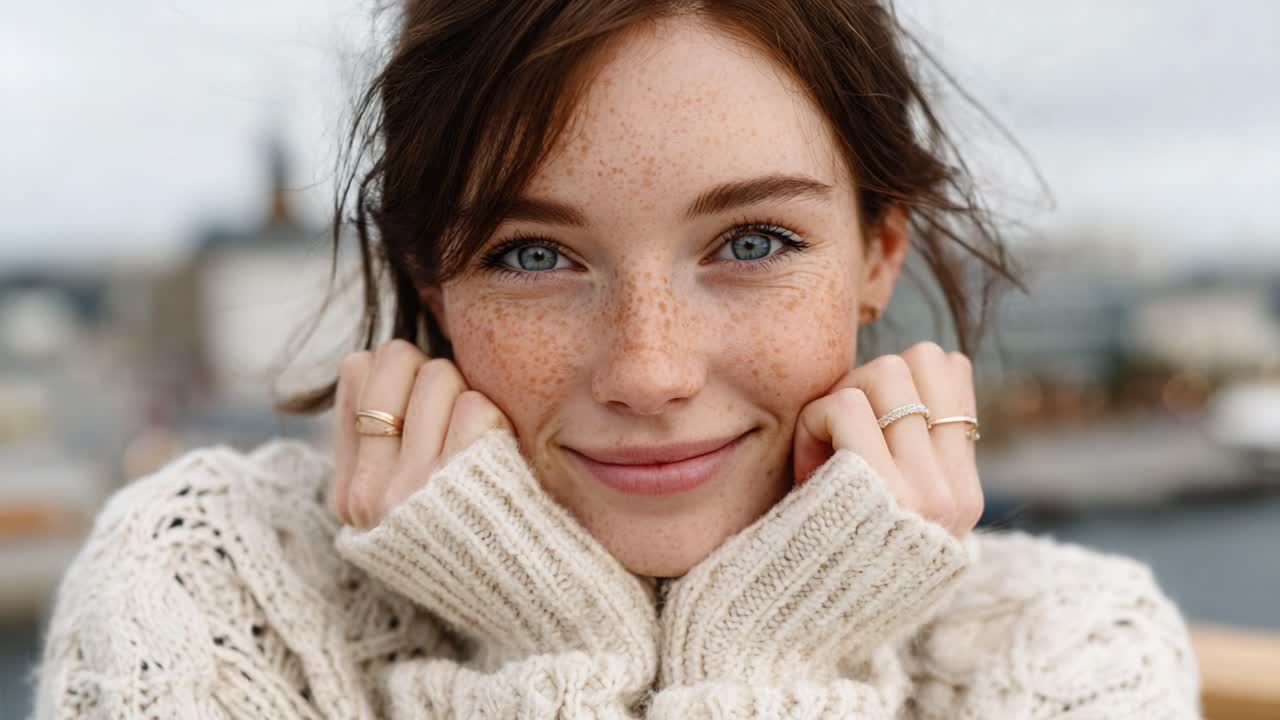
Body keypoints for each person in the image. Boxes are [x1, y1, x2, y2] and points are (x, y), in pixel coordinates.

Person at [33, 1, 1203, 717]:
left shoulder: (1066, 654)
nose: (649, 370)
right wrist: (555, 646)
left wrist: (770, 654)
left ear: (876, 250)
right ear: (431, 275)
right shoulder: (211, 585)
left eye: (751, 241)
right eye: (534, 253)